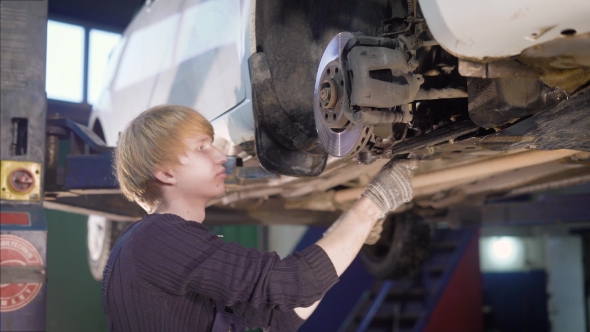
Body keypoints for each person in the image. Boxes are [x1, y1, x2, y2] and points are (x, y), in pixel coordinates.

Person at [103, 104, 417, 331]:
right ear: (165, 172)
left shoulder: (153, 244)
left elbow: (281, 316)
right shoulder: (158, 240)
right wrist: (373, 204)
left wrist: (348, 229)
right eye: (201, 148)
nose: (219, 156)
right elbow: (294, 284)